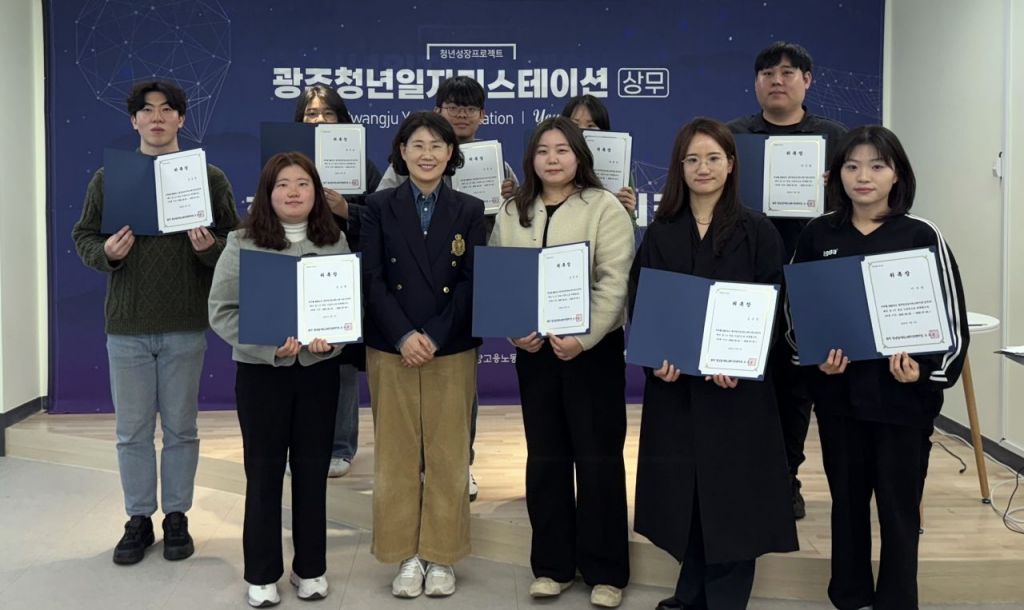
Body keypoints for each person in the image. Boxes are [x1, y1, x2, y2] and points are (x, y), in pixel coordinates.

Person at [788, 125, 969, 610]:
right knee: (847, 504)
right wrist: (816, 363)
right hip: (840, 400)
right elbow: (796, 315)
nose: (863, 176)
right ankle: (849, 595)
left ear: (897, 175)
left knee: (898, 508)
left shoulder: (921, 234)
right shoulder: (818, 234)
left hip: (902, 403)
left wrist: (924, 373)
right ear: (837, 175)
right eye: (852, 166)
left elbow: (951, 321)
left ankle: (896, 600)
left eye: (876, 166)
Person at [628, 118, 797, 610]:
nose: (703, 168)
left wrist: (743, 362)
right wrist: (655, 360)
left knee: (733, 498)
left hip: (735, 390)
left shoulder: (757, 230)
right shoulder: (662, 231)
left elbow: (774, 305)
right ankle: (691, 591)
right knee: (688, 495)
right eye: (692, 159)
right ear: (680, 168)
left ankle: (725, 598)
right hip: (677, 386)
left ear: (731, 165)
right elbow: (643, 300)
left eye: (713, 158)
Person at [71, 79, 239, 566]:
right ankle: (139, 518)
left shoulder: (209, 178)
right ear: (134, 121)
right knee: (132, 431)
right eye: (147, 110)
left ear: (182, 119)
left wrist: (209, 248)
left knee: (182, 429)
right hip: (127, 325)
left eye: (168, 109)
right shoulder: (109, 178)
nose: (157, 118)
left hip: (184, 321)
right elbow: (84, 236)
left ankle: (177, 516)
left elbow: (234, 244)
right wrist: (107, 252)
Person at [490, 116, 634, 608]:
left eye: (562, 150)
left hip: (592, 354)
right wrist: (515, 329)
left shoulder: (604, 207)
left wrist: (584, 338)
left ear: (579, 156)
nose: (552, 159)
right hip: (535, 353)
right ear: (531, 159)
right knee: (546, 458)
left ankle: (606, 571)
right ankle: (552, 566)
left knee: (598, 459)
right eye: (542, 151)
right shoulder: (512, 210)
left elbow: (614, 281)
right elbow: (502, 277)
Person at [208, 152, 349, 607]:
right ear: (267, 193)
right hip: (261, 376)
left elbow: (348, 311)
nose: (293, 192)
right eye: (282, 184)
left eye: (303, 183)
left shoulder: (335, 240)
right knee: (264, 472)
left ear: (316, 192)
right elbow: (221, 311)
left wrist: (333, 342)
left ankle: (311, 568)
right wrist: (267, 347)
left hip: (317, 374)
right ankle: (262, 573)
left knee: (311, 472)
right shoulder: (242, 241)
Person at [361, 112, 485, 598]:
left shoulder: (470, 208)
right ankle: (405, 556)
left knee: (449, 455)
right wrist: (403, 335)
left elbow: (472, 281)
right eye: (417, 144)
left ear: (451, 153)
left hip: (449, 346)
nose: (427, 154)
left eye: (437, 145)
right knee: (395, 455)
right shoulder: (378, 206)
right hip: (391, 346)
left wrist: (432, 335)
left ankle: (442, 554)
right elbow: (371, 278)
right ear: (402, 151)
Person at [377, 75, 517, 501]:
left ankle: (461, 464)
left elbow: (511, 224)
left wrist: (511, 197)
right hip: (408, 298)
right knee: (408, 405)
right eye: (453, 106)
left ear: (482, 116)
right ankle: (416, 471)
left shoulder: (498, 164)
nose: (461, 114)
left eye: (469, 108)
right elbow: (383, 216)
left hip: (463, 289)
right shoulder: (400, 169)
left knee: (459, 396)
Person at [727, 41, 849, 519]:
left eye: (787, 72)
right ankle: (743, 478)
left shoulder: (835, 139)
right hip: (746, 279)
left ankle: (785, 479)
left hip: (811, 281)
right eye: (767, 74)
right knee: (743, 382)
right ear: (756, 83)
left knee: (797, 389)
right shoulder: (733, 136)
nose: (777, 81)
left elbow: (858, 206)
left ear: (807, 80)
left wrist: (834, 190)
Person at [293, 84, 383, 478]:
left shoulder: (361, 166)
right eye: (311, 113)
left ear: (342, 119)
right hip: (294, 270)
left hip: (341, 274)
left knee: (341, 363)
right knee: (298, 361)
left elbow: (381, 220)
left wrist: (346, 209)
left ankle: (341, 447)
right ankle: (302, 447)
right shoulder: (284, 163)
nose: (320, 120)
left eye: (328, 113)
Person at [560, 94, 638, 219]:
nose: (582, 131)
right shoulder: (555, 165)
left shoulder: (620, 169)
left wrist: (627, 211)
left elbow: (629, 227)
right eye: (575, 125)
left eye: (591, 126)